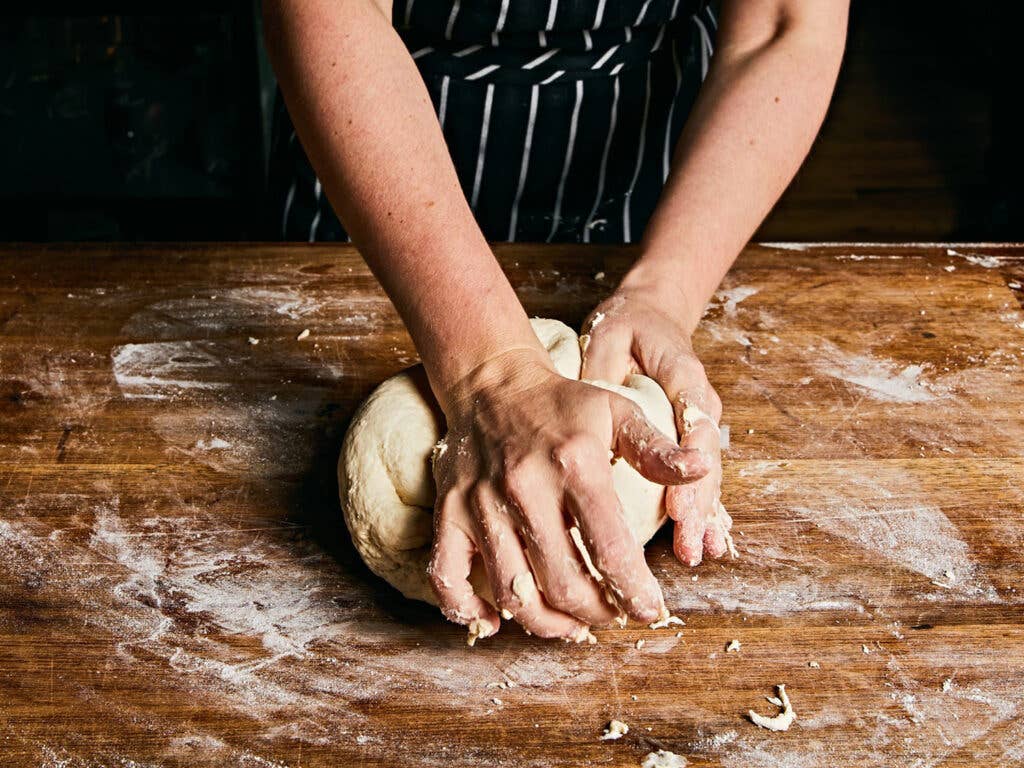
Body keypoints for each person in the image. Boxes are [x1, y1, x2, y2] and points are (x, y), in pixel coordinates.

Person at [263, 0, 848, 642]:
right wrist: (490, 371)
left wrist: (662, 291)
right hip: (375, 166)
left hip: (639, 176)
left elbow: (784, 26)